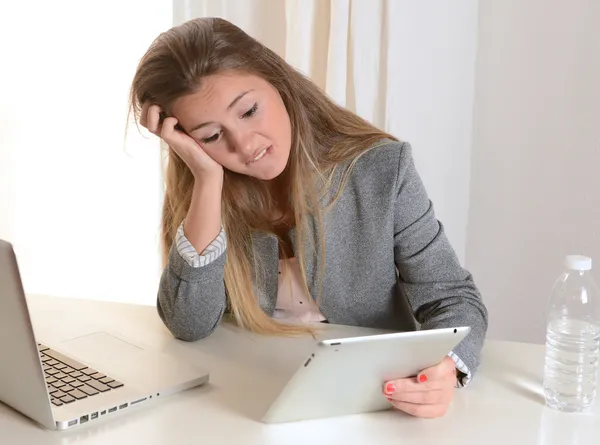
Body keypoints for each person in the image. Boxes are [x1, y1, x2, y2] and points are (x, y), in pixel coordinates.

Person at [129, 17, 488, 419]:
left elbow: (452, 297)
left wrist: (446, 368)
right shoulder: (205, 190)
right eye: (212, 136)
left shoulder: (381, 170)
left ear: (276, 80)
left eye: (249, 110)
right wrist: (207, 180)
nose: (244, 145)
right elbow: (188, 323)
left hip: (368, 404)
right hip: (243, 402)